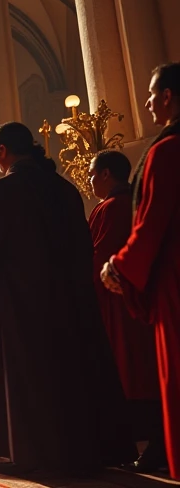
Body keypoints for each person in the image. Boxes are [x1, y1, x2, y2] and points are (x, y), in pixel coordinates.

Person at [0, 122, 134, 476]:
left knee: (31, 378)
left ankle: (33, 457)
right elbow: (84, 246)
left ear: (1, 151)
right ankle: (81, 453)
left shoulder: (2, 191)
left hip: (21, 306)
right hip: (70, 300)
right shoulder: (66, 190)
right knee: (70, 374)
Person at [102, 62, 180, 479]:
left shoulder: (167, 150)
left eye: (152, 93)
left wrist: (119, 266)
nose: (147, 101)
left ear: (168, 95)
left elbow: (151, 221)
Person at [88, 150, 165, 471]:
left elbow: (96, 258)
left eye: (92, 173)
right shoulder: (129, 203)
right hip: (132, 301)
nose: (89, 180)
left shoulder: (113, 207)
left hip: (117, 305)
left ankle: (151, 450)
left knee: (131, 377)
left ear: (107, 174)